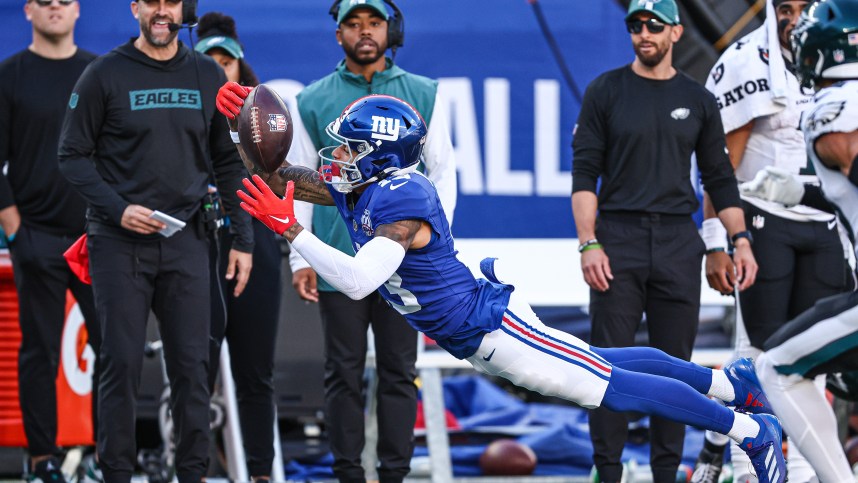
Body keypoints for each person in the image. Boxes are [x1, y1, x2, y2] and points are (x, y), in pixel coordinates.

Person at [217, 89, 788, 483]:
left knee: (608, 387)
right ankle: (727, 384)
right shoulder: (366, 183)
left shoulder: (401, 199)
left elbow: (361, 282)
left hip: (493, 328)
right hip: (479, 327)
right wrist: (245, 130)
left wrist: (291, 231)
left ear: (381, 156)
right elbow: (277, 175)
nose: (336, 157)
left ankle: (747, 429)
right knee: (601, 364)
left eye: (349, 148)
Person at [56, 1, 254, 482]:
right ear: (136, 8)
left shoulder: (207, 73)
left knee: (192, 366)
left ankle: (192, 474)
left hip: (186, 239)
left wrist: (242, 238)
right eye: (152, 2)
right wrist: (118, 207)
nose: (162, 11)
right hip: (116, 242)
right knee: (120, 362)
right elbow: (71, 155)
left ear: (183, 9)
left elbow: (227, 162)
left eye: (171, 2)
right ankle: (117, 474)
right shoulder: (105, 74)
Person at [570, 1, 758, 480]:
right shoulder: (606, 90)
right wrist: (589, 243)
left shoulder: (697, 99)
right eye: (635, 25)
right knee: (607, 366)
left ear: (675, 32)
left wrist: (739, 240)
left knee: (677, 369)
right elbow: (585, 175)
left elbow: (719, 178)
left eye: (654, 25)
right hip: (619, 237)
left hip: (678, 239)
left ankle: (666, 473)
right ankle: (607, 471)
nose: (644, 33)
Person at [277, 1, 456, 481]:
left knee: (399, 370)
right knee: (343, 374)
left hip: (406, 262)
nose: (364, 32)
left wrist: (434, 249)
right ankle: (349, 474)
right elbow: (298, 182)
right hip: (339, 253)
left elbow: (443, 175)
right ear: (338, 34)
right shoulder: (313, 98)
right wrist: (300, 259)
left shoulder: (424, 92)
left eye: (373, 22)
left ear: (389, 28)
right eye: (353, 24)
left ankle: (394, 474)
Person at [691, 1, 854, 481]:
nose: (793, 17)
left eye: (805, 7)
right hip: (764, 219)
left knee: (811, 362)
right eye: (785, 7)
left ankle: (802, 470)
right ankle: (747, 463)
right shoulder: (747, 62)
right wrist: (717, 238)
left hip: (825, 224)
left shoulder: (838, 78)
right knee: (762, 354)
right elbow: (720, 166)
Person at [0, 1, 100, 481]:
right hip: (35, 237)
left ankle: (108, 456)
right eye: (45, 1)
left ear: (77, 10)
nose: (55, 8)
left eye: (64, 0)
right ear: (28, 11)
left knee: (113, 348)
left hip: (96, 238)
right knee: (37, 351)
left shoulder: (98, 73)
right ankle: (42, 460)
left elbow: (118, 152)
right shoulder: (10, 74)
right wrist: (15, 229)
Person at [195, 12, 283, 482]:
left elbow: (289, 180)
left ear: (239, 68)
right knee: (195, 371)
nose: (216, 67)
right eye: (207, 59)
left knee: (255, 371)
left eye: (224, 60)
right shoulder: (180, 112)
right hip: (198, 244)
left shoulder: (265, 117)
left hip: (256, 245)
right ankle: (194, 469)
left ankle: (260, 474)